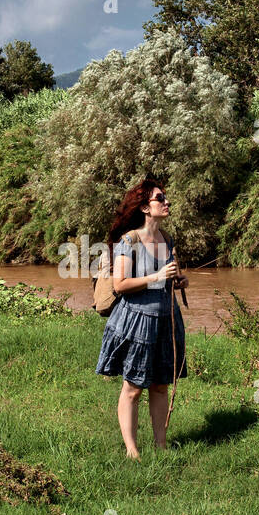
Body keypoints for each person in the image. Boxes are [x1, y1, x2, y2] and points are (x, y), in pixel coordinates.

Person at [94, 179, 189, 459]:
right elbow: (120, 285)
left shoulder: (167, 239)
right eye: (161, 199)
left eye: (165, 198)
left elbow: (170, 277)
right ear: (146, 207)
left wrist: (179, 281)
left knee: (160, 385)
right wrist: (156, 277)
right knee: (133, 387)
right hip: (136, 321)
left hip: (166, 319)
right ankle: (132, 451)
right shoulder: (129, 241)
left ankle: (161, 447)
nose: (167, 202)